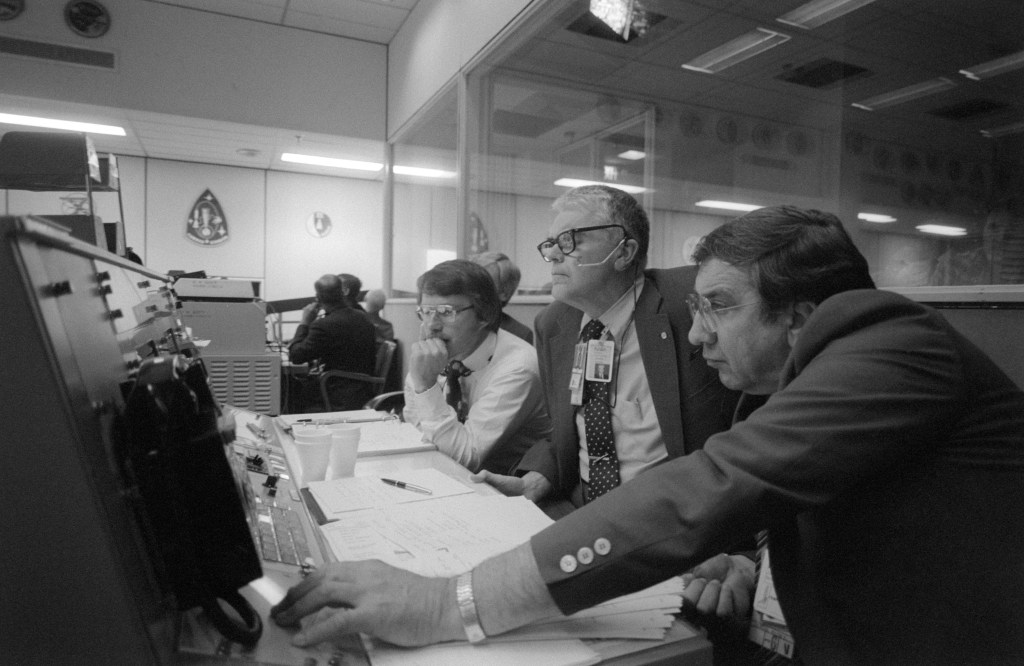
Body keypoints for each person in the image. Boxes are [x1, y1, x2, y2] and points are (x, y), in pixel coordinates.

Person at [271, 205, 1024, 664]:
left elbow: (713, 483)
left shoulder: (894, 341)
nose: (697, 336)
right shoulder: (785, 379)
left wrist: (451, 603)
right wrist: (758, 568)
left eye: (720, 307)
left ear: (802, 314)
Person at [473, 185, 737, 515]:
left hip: (671, 518)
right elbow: (565, 434)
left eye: (570, 239)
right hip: (581, 513)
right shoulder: (554, 325)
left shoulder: (686, 302)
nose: (554, 254)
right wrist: (536, 479)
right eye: (551, 243)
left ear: (624, 252)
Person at [402, 259, 551, 474]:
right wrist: (422, 382)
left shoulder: (518, 367)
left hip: (507, 487)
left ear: (484, 315)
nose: (432, 325)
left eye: (446, 312)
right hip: (446, 476)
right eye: (426, 311)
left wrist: (425, 385)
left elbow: (464, 458)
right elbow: (418, 429)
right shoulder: (436, 353)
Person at [288, 274, 377, 410]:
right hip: (362, 391)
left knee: (291, 391)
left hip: (335, 394)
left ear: (318, 298)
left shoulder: (324, 325)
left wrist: (304, 323)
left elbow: (296, 356)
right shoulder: (364, 317)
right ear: (342, 293)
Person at [469, 251, 534, 344]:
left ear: (504, 293)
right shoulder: (451, 322)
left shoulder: (518, 334)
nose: (471, 288)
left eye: (483, 283)